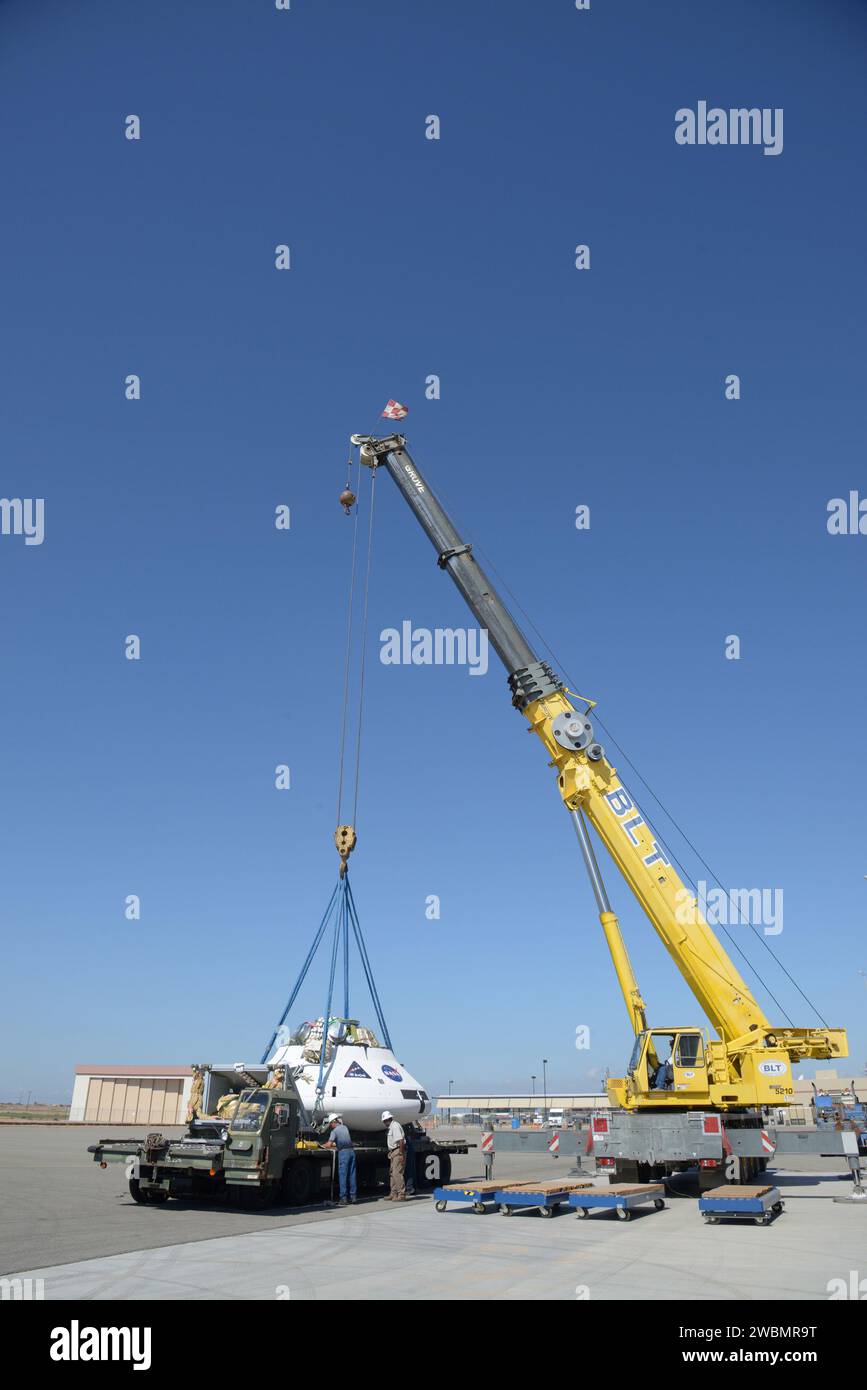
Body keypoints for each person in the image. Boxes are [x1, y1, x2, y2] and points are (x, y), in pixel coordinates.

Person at [323, 1113, 357, 1205]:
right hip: (351, 1151)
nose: (330, 1126)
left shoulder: (334, 1131)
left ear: (334, 1122)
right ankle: (353, 1196)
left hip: (344, 1153)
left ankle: (343, 1198)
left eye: (330, 1124)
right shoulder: (345, 1127)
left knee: (343, 1175)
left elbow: (329, 1144)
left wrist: (321, 1145)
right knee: (352, 1174)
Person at [382, 1110, 405, 1201]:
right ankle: (393, 1193)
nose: (384, 1123)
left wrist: (401, 1153)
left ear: (388, 1119)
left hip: (397, 1151)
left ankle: (401, 1194)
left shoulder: (395, 1126)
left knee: (397, 1173)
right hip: (393, 1152)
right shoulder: (392, 1127)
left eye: (384, 1121)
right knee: (392, 1174)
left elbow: (401, 1141)